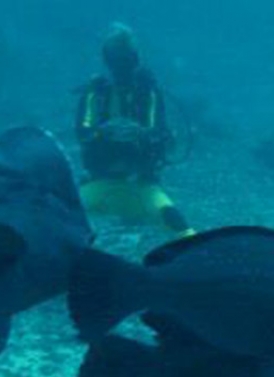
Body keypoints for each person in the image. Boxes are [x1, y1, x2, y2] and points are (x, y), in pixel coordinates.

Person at [76, 24, 192, 237]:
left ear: (135, 60)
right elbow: (83, 133)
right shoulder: (97, 92)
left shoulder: (148, 92)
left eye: (126, 60)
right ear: (108, 61)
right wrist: (104, 132)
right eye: (116, 60)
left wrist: (142, 133)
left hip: (139, 184)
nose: (121, 67)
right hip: (105, 182)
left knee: (180, 228)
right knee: (180, 229)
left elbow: (162, 135)